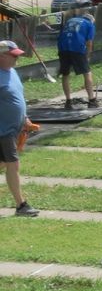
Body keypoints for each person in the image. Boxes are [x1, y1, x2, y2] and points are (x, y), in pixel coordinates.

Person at [0, 40, 39, 216]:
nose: (17, 59)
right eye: (14, 56)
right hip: (3, 130)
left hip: (13, 127)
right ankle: (21, 206)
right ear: (1, 56)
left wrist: (25, 119)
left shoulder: (12, 72)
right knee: (13, 164)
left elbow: (17, 97)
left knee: (3, 163)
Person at [57, 9, 97, 107]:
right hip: (77, 48)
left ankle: (68, 101)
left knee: (65, 74)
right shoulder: (89, 24)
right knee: (87, 73)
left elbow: (62, 35)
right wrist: (87, 56)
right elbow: (89, 43)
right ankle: (92, 100)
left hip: (63, 48)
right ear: (91, 20)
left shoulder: (71, 20)